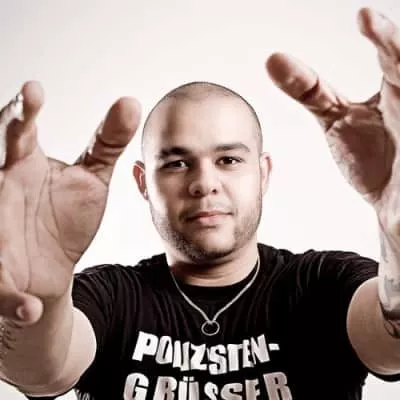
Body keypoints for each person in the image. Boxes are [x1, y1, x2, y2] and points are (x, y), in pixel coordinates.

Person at [0, 6, 399, 400]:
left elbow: (392, 342)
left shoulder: (323, 285)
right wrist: (41, 301)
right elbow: (42, 372)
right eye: (177, 163)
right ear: (143, 182)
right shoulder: (112, 298)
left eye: (229, 160)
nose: (204, 184)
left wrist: (397, 227)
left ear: (263, 174)